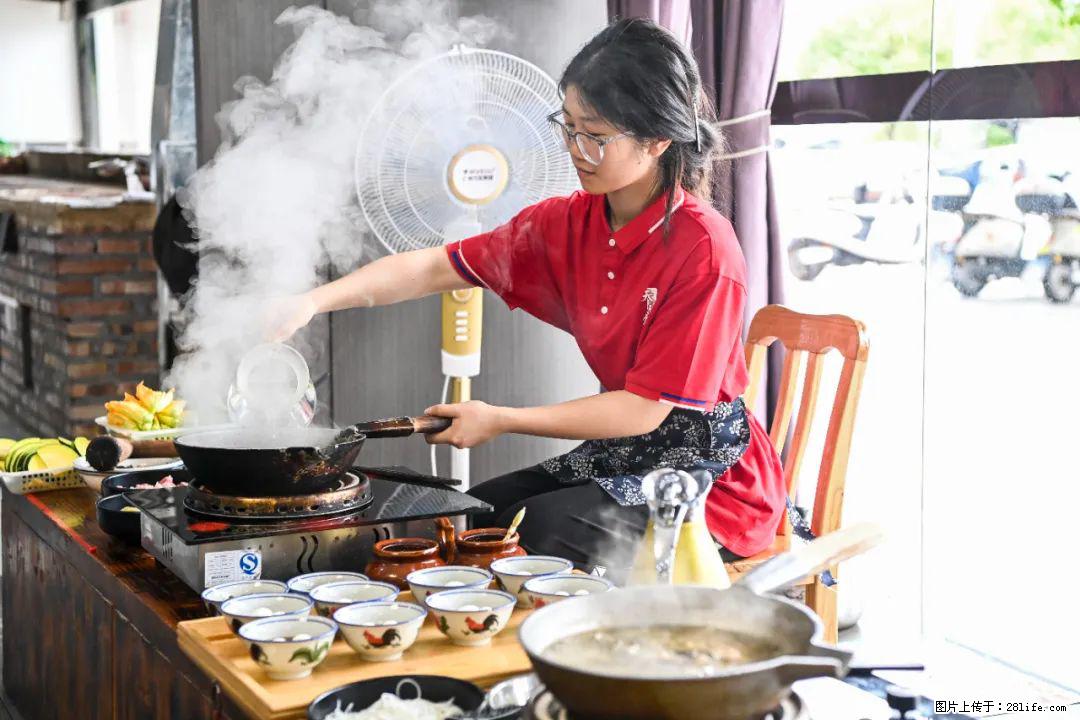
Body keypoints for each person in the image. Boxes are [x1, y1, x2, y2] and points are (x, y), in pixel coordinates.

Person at [273, 18, 786, 573]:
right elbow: (432, 267)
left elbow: (644, 409)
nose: (574, 148)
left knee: (537, 532)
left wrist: (501, 418)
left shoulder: (704, 249)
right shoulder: (567, 222)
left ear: (658, 139)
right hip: (626, 454)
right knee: (481, 516)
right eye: (566, 126)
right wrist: (313, 300)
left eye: (595, 134)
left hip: (711, 480)